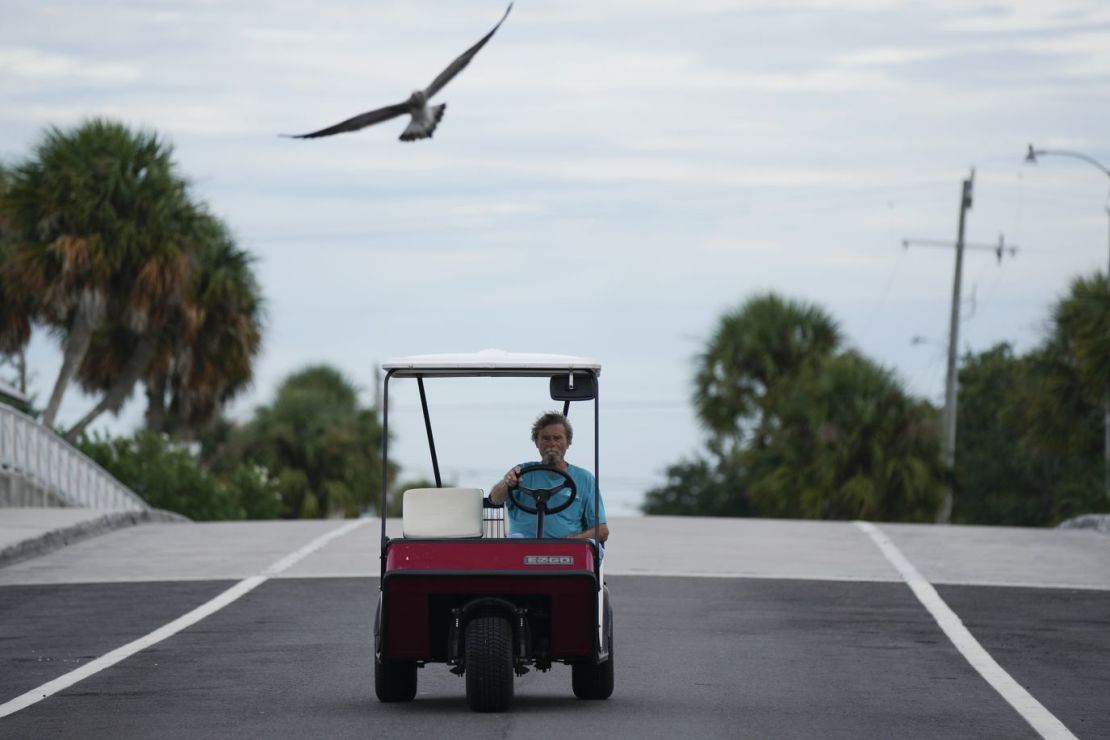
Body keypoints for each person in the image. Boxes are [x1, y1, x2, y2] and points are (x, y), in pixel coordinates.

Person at [489, 411, 609, 543]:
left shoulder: (584, 479)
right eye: (546, 438)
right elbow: (495, 499)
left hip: (565, 553)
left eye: (557, 438)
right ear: (536, 442)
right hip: (521, 550)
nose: (551, 444)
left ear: (568, 442)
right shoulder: (521, 472)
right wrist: (507, 484)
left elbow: (602, 531)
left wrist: (571, 541)